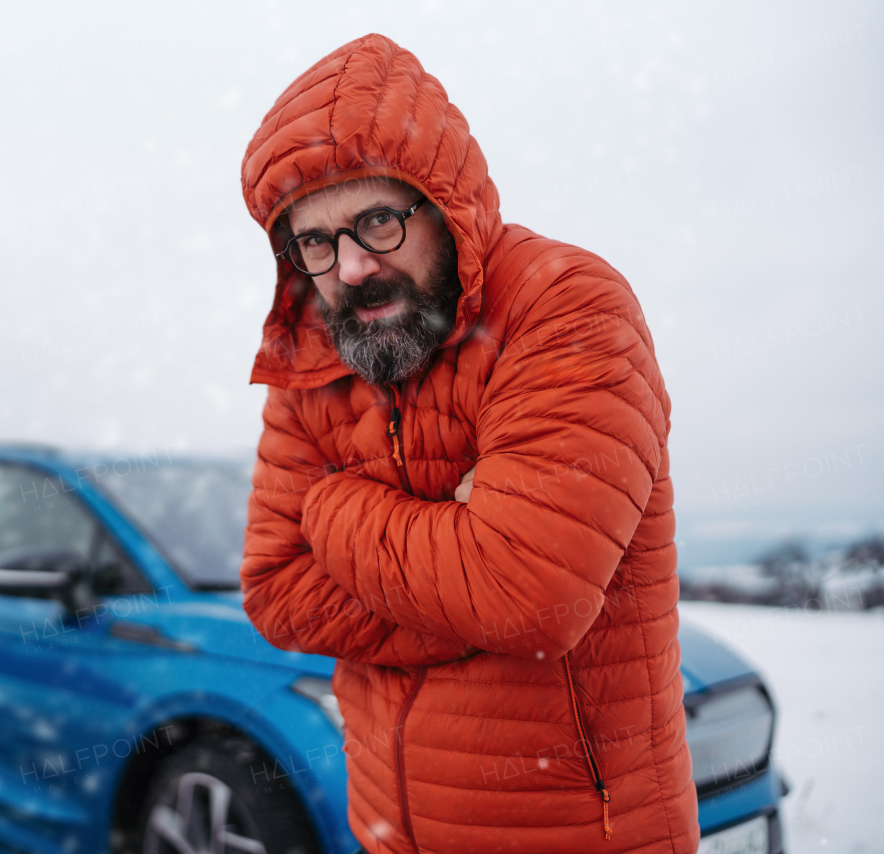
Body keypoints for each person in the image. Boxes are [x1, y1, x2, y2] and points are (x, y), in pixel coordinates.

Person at [240, 33, 698, 854]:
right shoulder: (316, 351)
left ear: (443, 203)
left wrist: (335, 511)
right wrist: (464, 575)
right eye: (315, 242)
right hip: (389, 829)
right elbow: (276, 588)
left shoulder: (565, 307)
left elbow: (527, 595)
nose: (348, 268)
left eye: (377, 221)